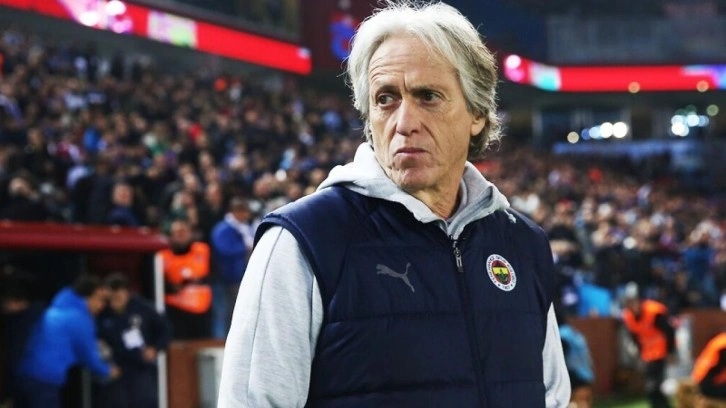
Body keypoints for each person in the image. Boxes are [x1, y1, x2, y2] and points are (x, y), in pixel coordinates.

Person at [219, 2, 570, 407]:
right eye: (386, 99)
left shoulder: (522, 245)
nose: (404, 123)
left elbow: (552, 398)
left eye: (428, 97)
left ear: (477, 113)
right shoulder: (303, 242)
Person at [14, 274, 121, 408]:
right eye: (100, 299)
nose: (102, 305)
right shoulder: (81, 319)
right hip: (45, 378)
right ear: (87, 297)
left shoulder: (55, 310)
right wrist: (108, 370)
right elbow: (88, 356)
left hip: (24, 373)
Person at [94, 273, 172, 408]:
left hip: (140, 367)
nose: (114, 303)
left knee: (144, 401)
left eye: (118, 298)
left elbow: (165, 330)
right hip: (115, 369)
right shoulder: (102, 313)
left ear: (126, 293)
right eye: (111, 299)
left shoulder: (143, 309)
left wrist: (155, 348)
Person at [621, 282, 675, 408]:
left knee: (658, 385)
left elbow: (669, 331)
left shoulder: (653, 312)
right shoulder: (628, 316)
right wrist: (640, 352)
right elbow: (634, 337)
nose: (632, 306)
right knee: (651, 386)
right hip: (647, 354)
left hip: (661, 352)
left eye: (633, 301)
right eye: (629, 303)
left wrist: (670, 351)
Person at [158, 219, 212, 339]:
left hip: (202, 309)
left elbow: (213, 273)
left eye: (184, 231)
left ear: (191, 233)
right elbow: (159, 285)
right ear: (170, 235)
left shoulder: (203, 250)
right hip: (176, 311)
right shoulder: (162, 256)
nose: (181, 235)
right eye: (177, 232)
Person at [209, 197, 254, 338]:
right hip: (223, 278)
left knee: (235, 311)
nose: (246, 215)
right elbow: (224, 249)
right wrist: (245, 248)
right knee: (222, 312)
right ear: (235, 212)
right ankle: (220, 341)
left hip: (238, 277)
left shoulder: (244, 228)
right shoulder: (223, 229)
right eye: (244, 211)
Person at [556, 310, 595, 408]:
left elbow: (561, 357)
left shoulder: (561, 335)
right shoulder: (574, 333)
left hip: (574, 376)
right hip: (587, 374)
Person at [692, 332, 726, 401]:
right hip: (708, 384)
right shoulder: (722, 347)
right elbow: (716, 372)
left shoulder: (721, 340)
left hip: (704, 380)